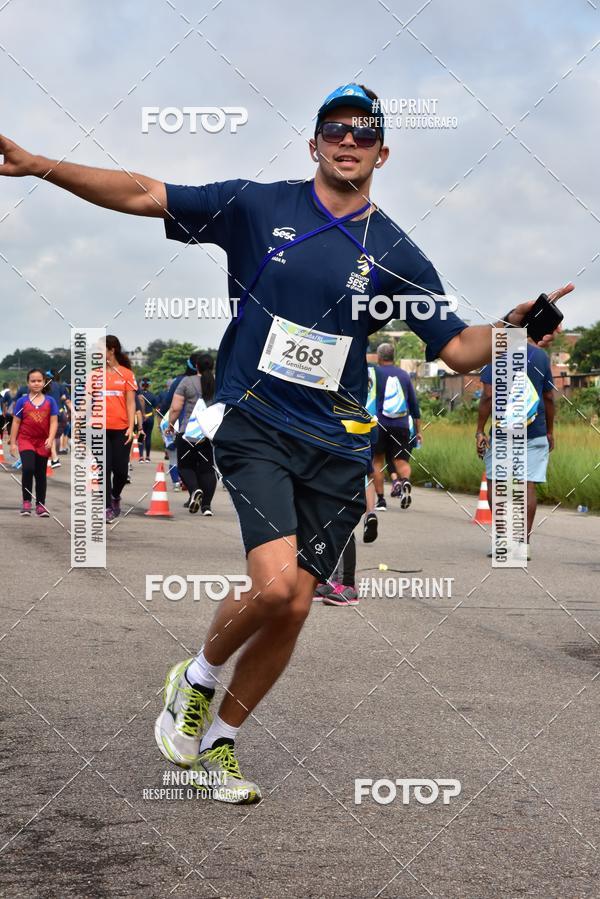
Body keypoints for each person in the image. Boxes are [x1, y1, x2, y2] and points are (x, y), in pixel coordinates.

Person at [0, 82, 571, 803]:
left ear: (382, 152)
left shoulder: (395, 251)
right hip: (257, 423)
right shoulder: (256, 206)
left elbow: (457, 348)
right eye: (335, 128)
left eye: (364, 132)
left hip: (337, 443)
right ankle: (197, 678)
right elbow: (145, 192)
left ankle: (221, 742)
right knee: (273, 585)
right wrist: (40, 165)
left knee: (296, 604)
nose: (349, 139)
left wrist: (512, 328)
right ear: (313, 144)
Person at [476, 340, 555, 561]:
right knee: (527, 484)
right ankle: (523, 544)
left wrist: (480, 430)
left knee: (498, 483)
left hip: (503, 431)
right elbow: (549, 396)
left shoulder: (495, 353)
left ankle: (503, 542)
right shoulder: (540, 356)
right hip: (535, 430)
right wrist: (550, 431)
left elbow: (488, 395)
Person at [372, 343, 421, 511]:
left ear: (379, 356)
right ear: (393, 356)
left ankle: (381, 501)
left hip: (379, 424)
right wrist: (418, 431)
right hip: (401, 425)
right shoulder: (404, 375)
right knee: (401, 460)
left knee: (377, 461)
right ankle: (405, 481)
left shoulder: (375, 373)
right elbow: (414, 405)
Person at [168, 353, 217, 515]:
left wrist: (170, 424)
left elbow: (176, 408)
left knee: (185, 466)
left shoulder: (186, 382)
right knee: (208, 469)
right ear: (212, 366)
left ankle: (195, 490)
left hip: (187, 432)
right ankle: (206, 507)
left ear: (196, 366)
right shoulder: (218, 383)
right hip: (208, 433)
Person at [96, 335, 137, 521]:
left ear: (111, 350)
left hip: (121, 429)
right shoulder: (95, 375)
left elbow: (131, 403)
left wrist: (131, 427)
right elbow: (87, 401)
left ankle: (115, 495)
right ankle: (106, 508)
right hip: (99, 428)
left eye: (100, 350)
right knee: (104, 468)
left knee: (121, 471)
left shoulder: (127, 374)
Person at [9, 369, 58, 516]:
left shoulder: (50, 401)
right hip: (26, 440)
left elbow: (54, 422)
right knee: (28, 469)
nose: (36, 383)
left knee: (40, 474)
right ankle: (26, 502)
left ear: (44, 382)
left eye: (39, 381)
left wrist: (50, 438)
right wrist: (13, 443)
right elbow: (16, 422)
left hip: (43, 442)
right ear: (28, 383)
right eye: (33, 381)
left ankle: (40, 505)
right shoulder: (22, 402)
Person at [138, 377, 157, 463]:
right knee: (148, 436)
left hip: (140, 418)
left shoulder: (138, 395)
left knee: (141, 436)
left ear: (141, 384)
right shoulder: (152, 395)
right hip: (150, 418)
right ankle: (148, 457)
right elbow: (156, 407)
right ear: (149, 385)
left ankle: (141, 457)